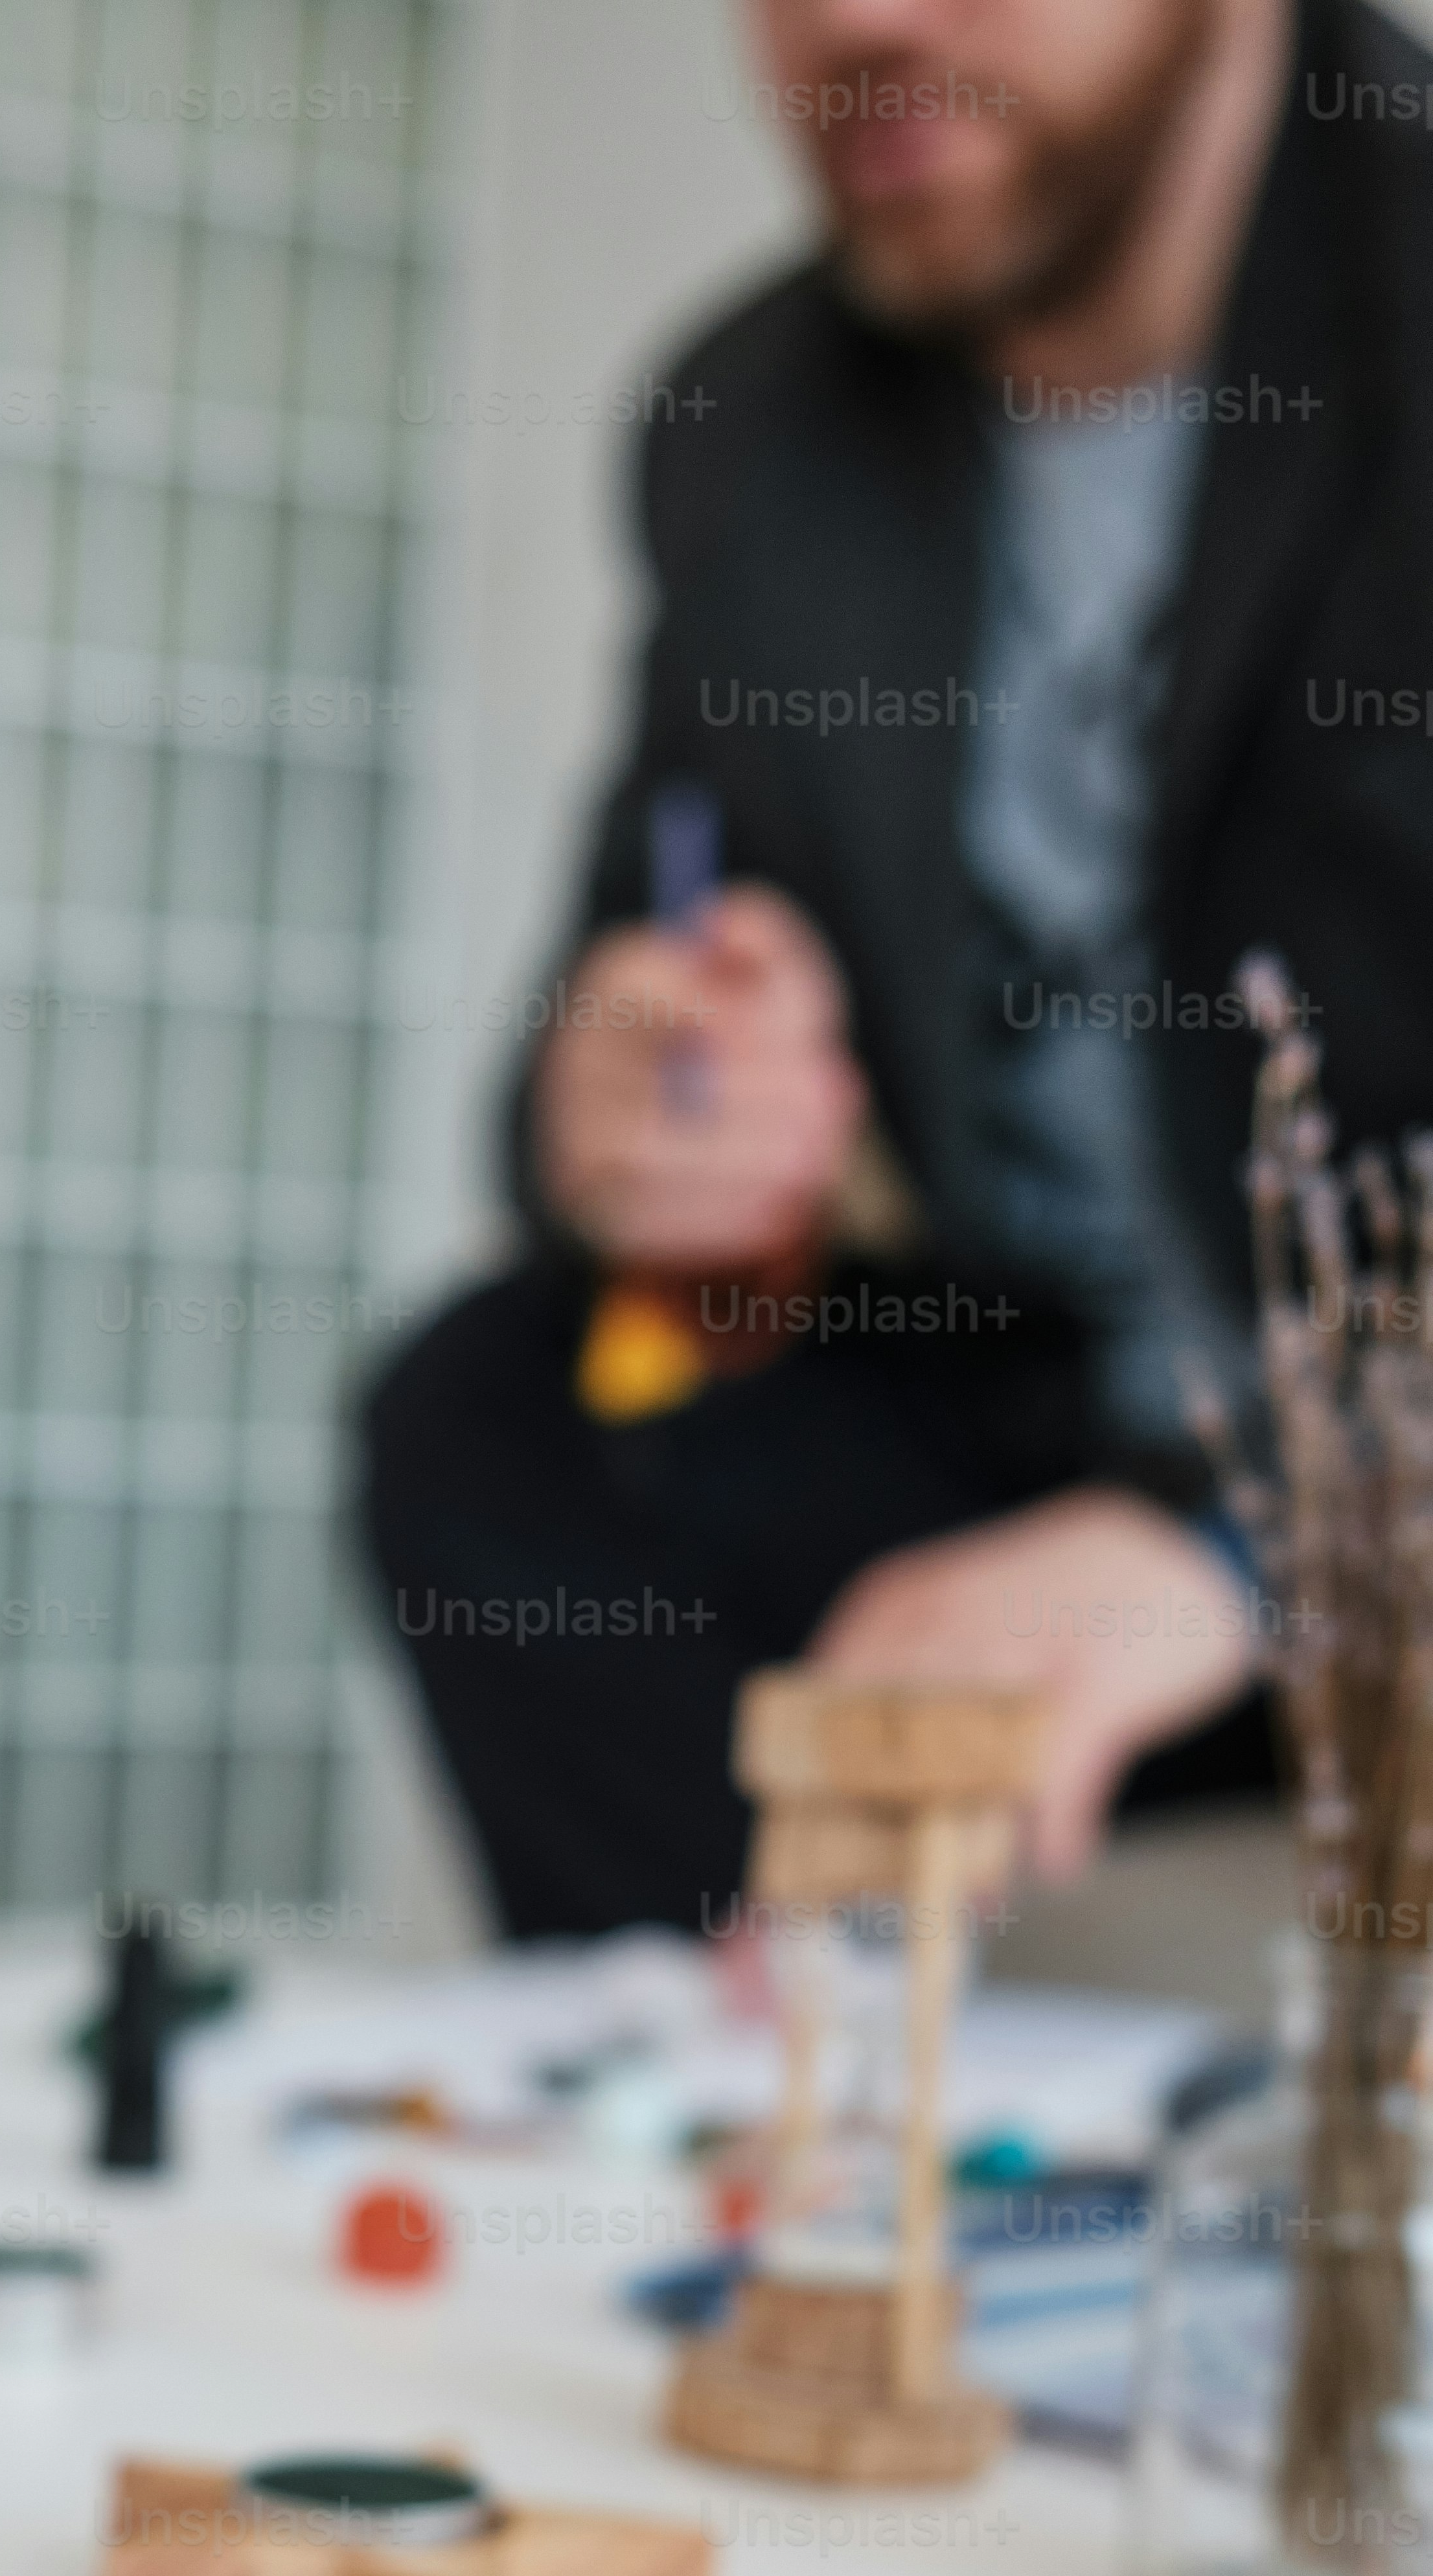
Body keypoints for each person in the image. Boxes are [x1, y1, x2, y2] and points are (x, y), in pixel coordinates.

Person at [363, 0, 1433, 1933]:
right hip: (1022, 1460)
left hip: (1364, 1496)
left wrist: (1255, 1556)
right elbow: (619, 978)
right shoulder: (757, 424)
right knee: (486, 1418)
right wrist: (624, 1107)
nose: (859, 17)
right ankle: (737, 2084)